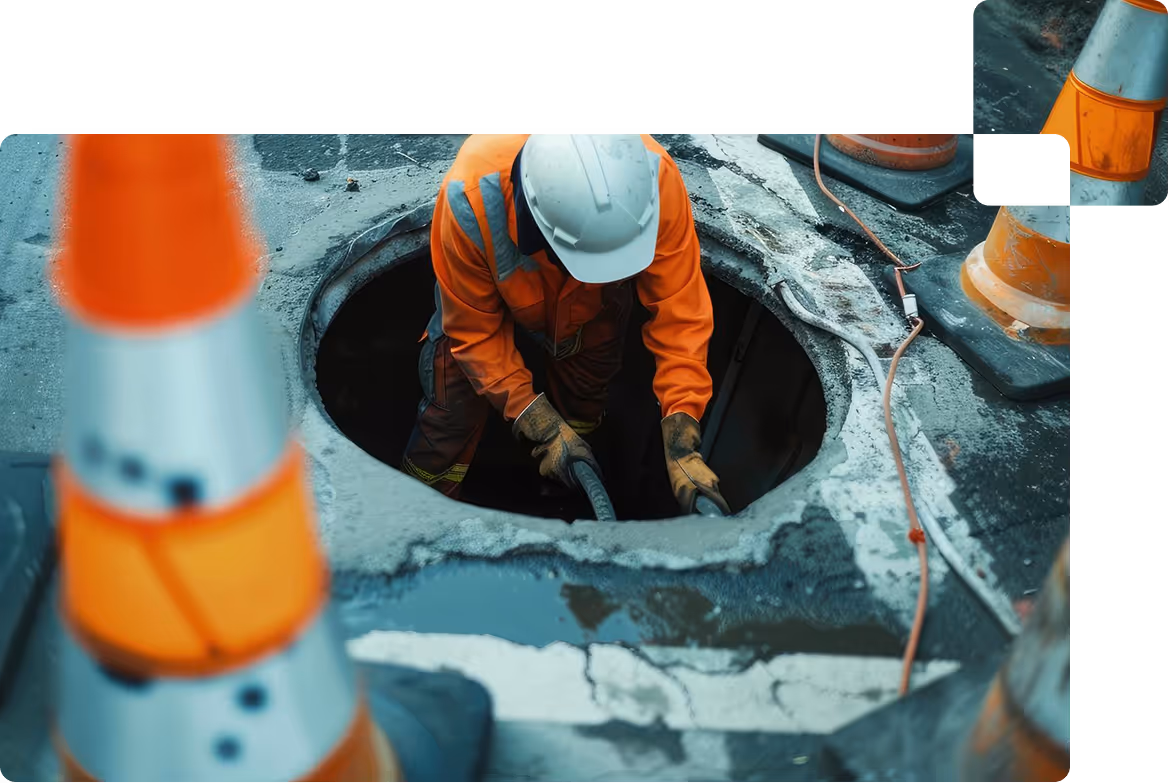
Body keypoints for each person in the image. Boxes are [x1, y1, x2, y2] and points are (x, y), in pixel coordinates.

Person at [401, 134, 731, 517]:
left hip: (591, 309)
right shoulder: (471, 194)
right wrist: (539, 426)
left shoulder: (651, 179)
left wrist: (682, 429)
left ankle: (562, 499)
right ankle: (423, 514)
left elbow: (680, 313)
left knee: (583, 406)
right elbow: (475, 333)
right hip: (479, 306)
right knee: (450, 413)